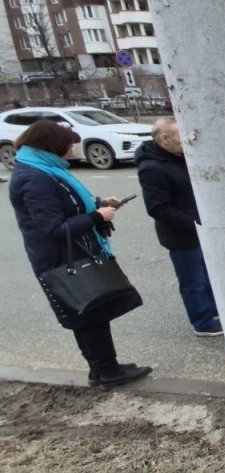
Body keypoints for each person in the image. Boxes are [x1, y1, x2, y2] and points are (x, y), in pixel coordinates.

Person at [8, 120, 151, 388]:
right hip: (61, 259)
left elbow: (66, 207)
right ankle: (107, 371)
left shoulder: (42, 169)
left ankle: (103, 368)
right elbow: (53, 229)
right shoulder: (35, 179)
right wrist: (97, 217)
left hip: (70, 254)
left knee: (93, 313)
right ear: (51, 146)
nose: (72, 150)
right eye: (68, 145)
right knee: (86, 315)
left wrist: (99, 205)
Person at [136, 117, 223, 337]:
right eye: (181, 136)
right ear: (164, 139)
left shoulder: (177, 157)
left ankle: (214, 310)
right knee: (193, 281)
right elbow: (157, 207)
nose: (186, 141)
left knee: (206, 275)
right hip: (182, 236)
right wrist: (193, 223)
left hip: (199, 230)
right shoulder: (152, 168)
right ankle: (202, 322)